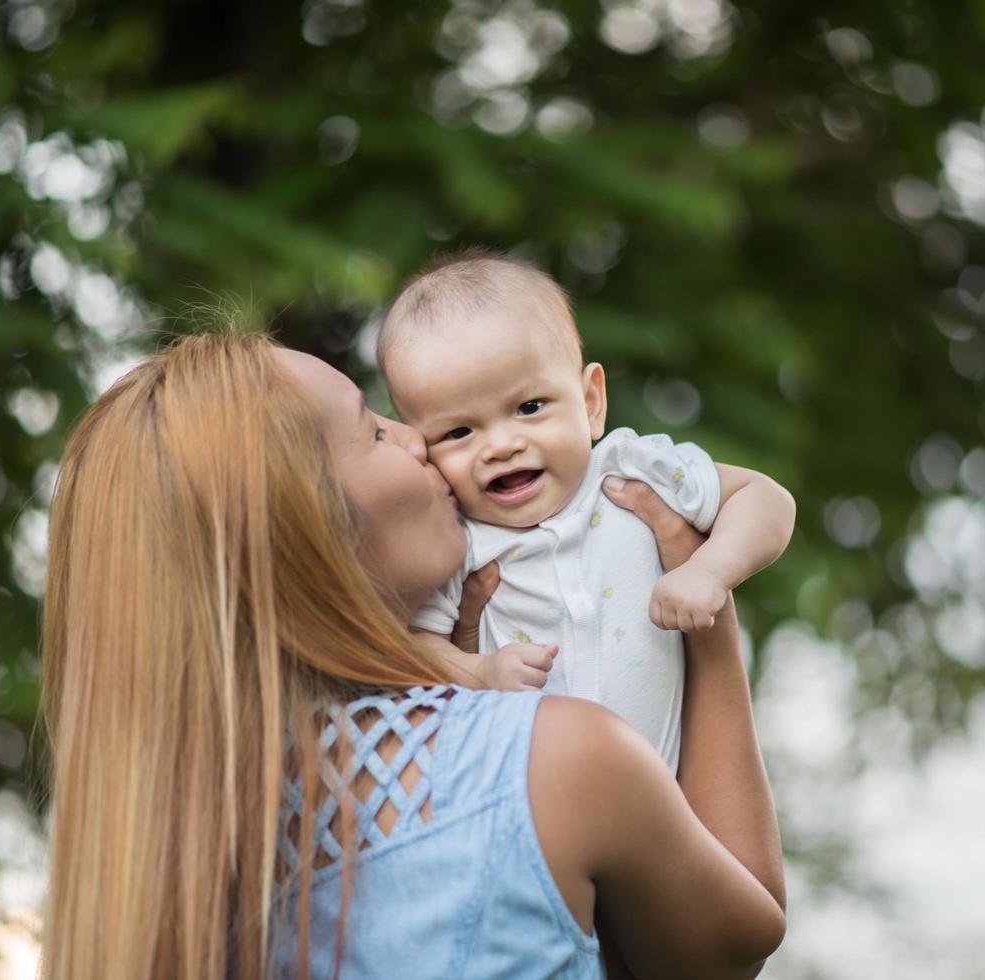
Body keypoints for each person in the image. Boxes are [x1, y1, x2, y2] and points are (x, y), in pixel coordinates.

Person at [39, 330, 785, 979]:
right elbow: (737, 942)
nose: (416, 439)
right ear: (305, 535)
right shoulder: (552, 759)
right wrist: (703, 625)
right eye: (371, 432)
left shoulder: (161, 859)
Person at [381, 251, 796, 772]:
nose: (502, 445)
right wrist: (479, 672)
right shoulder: (457, 544)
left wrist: (709, 571)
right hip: (544, 816)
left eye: (529, 407)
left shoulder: (633, 470)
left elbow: (764, 498)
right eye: (459, 432)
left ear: (591, 401)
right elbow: (414, 646)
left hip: (666, 805)